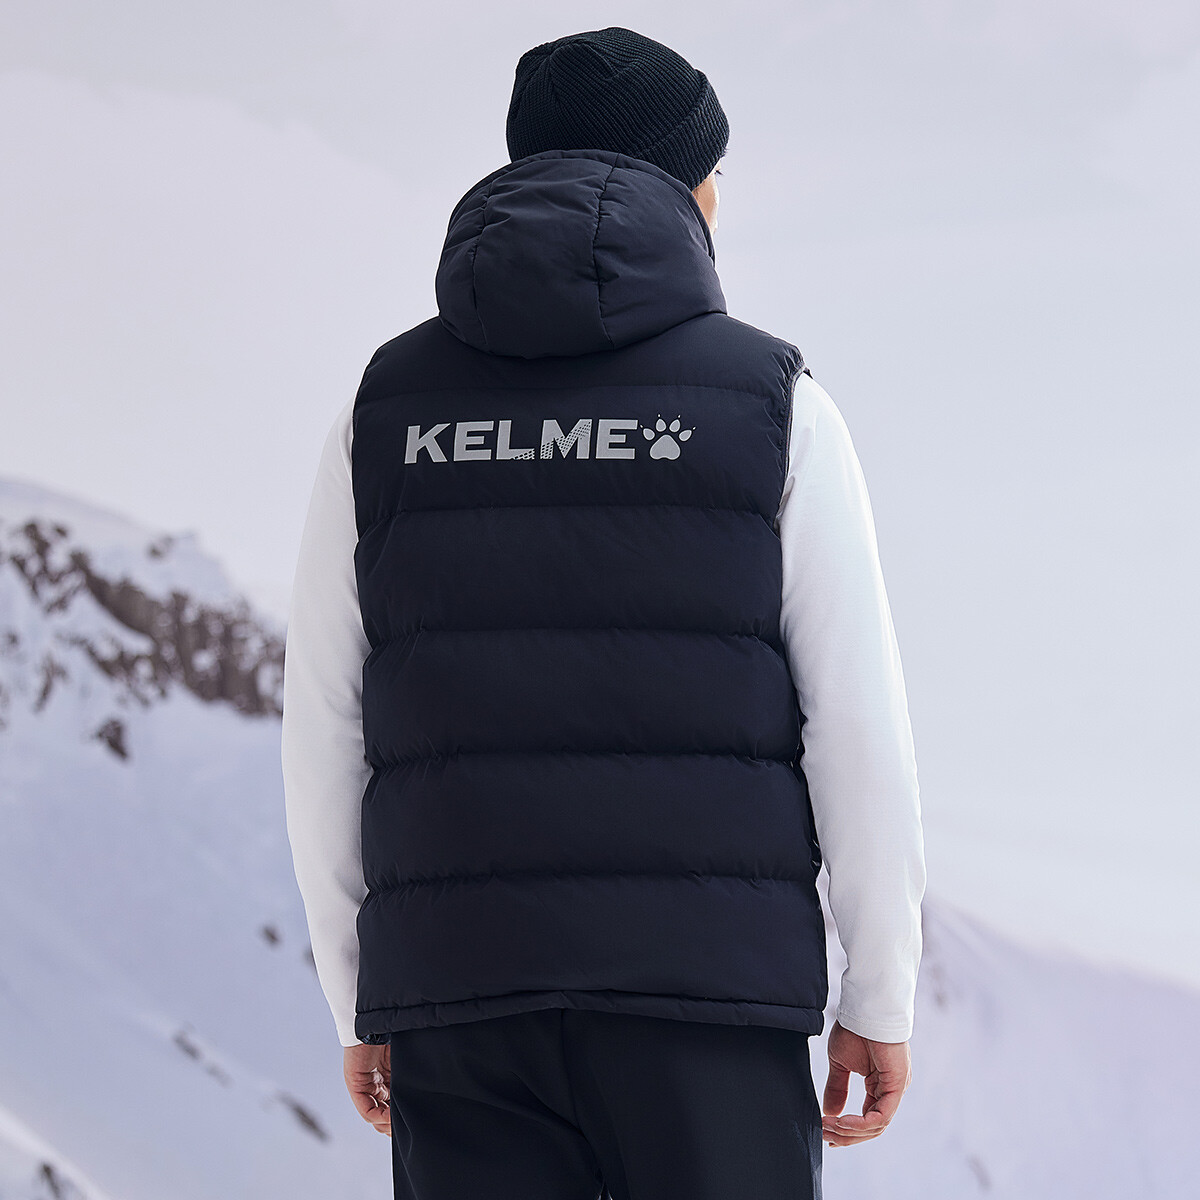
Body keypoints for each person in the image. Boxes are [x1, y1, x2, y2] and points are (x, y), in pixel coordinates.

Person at [281, 25, 926, 1200]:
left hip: (462, 993)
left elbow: (326, 721)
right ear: (689, 187)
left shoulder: (381, 411)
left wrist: (361, 995)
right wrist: (879, 991)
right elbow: (855, 715)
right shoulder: (776, 404)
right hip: (710, 999)